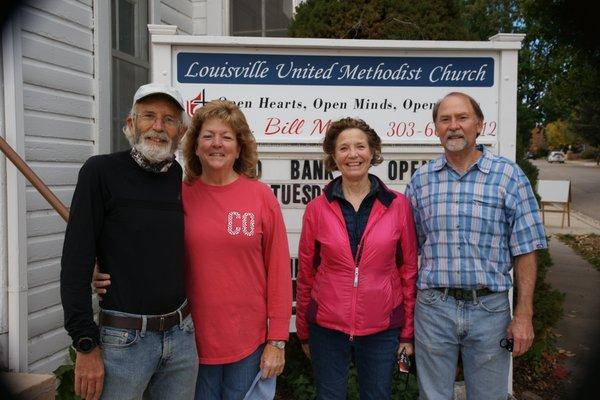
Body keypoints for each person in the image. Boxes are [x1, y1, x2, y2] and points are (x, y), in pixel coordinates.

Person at [405, 92, 548, 399]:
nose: (453, 126)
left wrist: (523, 314)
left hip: (490, 310)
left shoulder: (508, 176)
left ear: (480, 125)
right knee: (431, 396)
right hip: (433, 309)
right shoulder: (421, 180)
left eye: (462, 117)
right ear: (436, 129)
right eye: (445, 119)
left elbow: (526, 248)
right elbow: (407, 249)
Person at [60, 83, 197, 400]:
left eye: (169, 119)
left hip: (181, 336)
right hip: (123, 340)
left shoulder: (179, 177)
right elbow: (76, 261)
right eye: (148, 115)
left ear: (180, 131)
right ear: (131, 123)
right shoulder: (100, 172)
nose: (158, 126)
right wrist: (84, 342)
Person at [295, 117, 418, 400]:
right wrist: (303, 330)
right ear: (334, 156)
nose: (353, 154)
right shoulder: (316, 209)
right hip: (326, 327)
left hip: (382, 328)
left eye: (360, 146)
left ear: (372, 152)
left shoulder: (398, 206)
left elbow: (408, 271)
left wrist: (407, 333)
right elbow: (306, 274)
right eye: (344, 148)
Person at [181, 99, 292, 400]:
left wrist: (277, 340)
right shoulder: (179, 196)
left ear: (239, 147)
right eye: (208, 136)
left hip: (248, 344)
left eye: (227, 137)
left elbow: (280, 273)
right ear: (195, 145)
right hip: (189, 343)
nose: (217, 144)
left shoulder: (260, 197)